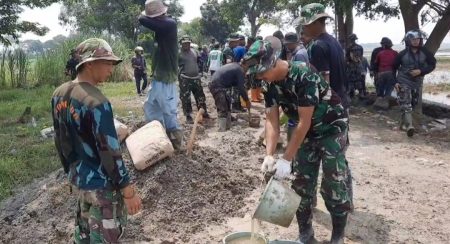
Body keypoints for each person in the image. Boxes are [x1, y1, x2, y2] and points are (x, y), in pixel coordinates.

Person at [243, 36, 351, 244]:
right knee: (301, 183)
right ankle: (305, 234)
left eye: (262, 73)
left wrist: (286, 159)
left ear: (273, 62)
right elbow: (272, 121)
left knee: (333, 181)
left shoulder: (303, 74)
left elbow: (304, 121)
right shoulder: (268, 85)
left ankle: (338, 235)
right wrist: (269, 155)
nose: (261, 78)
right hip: (307, 133)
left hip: (331, 129)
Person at [52, 38, 142, 243]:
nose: (111, 68)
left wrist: (71, 172)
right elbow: (110, 152)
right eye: (107, 62)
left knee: (83, 238)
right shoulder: (96, 101)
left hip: (80, 181)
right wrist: (127, 190)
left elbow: (60, 141)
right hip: (102, 188)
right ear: (89, 63)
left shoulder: (58, 95)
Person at [138, 0, 183, 149]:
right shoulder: (161, 27)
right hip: (158, 77)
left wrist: (146, 16)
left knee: (168, 110)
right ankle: (158, 139)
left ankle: (176, 142)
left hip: (166, 78)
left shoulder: (169, 24)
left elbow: (142, 19)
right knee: (151, 107)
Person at [297, 3, 350, 109]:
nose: (303, 27)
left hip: (329, 107)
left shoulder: (318, 46)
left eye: (305, 24)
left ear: (316, 23)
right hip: (342, 100)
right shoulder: (333, 41)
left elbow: (323, 83)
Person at [393, 29, 436, 137]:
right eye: (413, 39)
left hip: (417, 83)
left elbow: (432, 64)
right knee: (406, 104)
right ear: (408, 40)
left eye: (418, 39)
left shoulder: (425, 52)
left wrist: (421, 71)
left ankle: (401, 124)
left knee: (412, 103)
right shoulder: (402, 54)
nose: (416, 41)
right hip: (403, 81)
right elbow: (393, 68)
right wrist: (395, 82)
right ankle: (409, 126)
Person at [208, 62, 251, 131]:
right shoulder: (240, 70)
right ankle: (222, 129)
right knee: (222, 107)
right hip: (216, 85)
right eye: (247, 70)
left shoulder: (236, 67)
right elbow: (241, 88)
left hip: (219, 84)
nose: (246, 72)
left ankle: (227, 126)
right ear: (245, 65)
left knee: (227, 104)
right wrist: (247, 100)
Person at [178, 35, 209, 124]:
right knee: (186, 98)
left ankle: (203, 112)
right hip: (185, 79)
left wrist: (201, 72)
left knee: (200, 96)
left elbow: (200, 61)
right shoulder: (178, 53)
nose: (186, 45)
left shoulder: (195, 51)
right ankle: (188, 115)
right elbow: (174, 65)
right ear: (181, 43)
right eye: (184, 43)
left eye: (188, 43)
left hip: (196, 78)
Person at [346, 33, 366, 99]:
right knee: (359, 79)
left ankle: (351, 94)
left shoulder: (349, 48)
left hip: (351, 66)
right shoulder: (360, 47)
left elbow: (347, 58)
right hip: (359, 65)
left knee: (350, 80)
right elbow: (361, 56)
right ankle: (361, 93)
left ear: (351, 40)